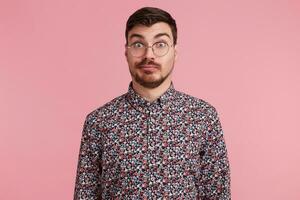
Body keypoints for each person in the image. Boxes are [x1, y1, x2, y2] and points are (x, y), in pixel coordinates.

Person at [74, 7, 231, 200]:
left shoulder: (203, 117)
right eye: (138, 44)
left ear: (175, 51)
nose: (149, 55)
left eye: (160, 44)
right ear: (126, 52)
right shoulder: (98, 122)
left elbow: (218, 195)